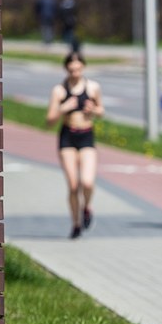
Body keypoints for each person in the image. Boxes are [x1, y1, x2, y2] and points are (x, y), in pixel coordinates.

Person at [46, 51, 104, 239]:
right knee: (73, 185)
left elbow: (101, 111)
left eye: (78, 69)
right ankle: (76, 224)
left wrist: (93, 110)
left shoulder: (93, 87)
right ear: (66, 69)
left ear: (83, 68)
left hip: (86, 135)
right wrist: (63, 108)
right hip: (67, 137)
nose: (75, 73)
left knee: (87, 182)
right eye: (71, 70)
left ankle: (87, 207)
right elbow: (49, 121)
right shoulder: (59, 90)